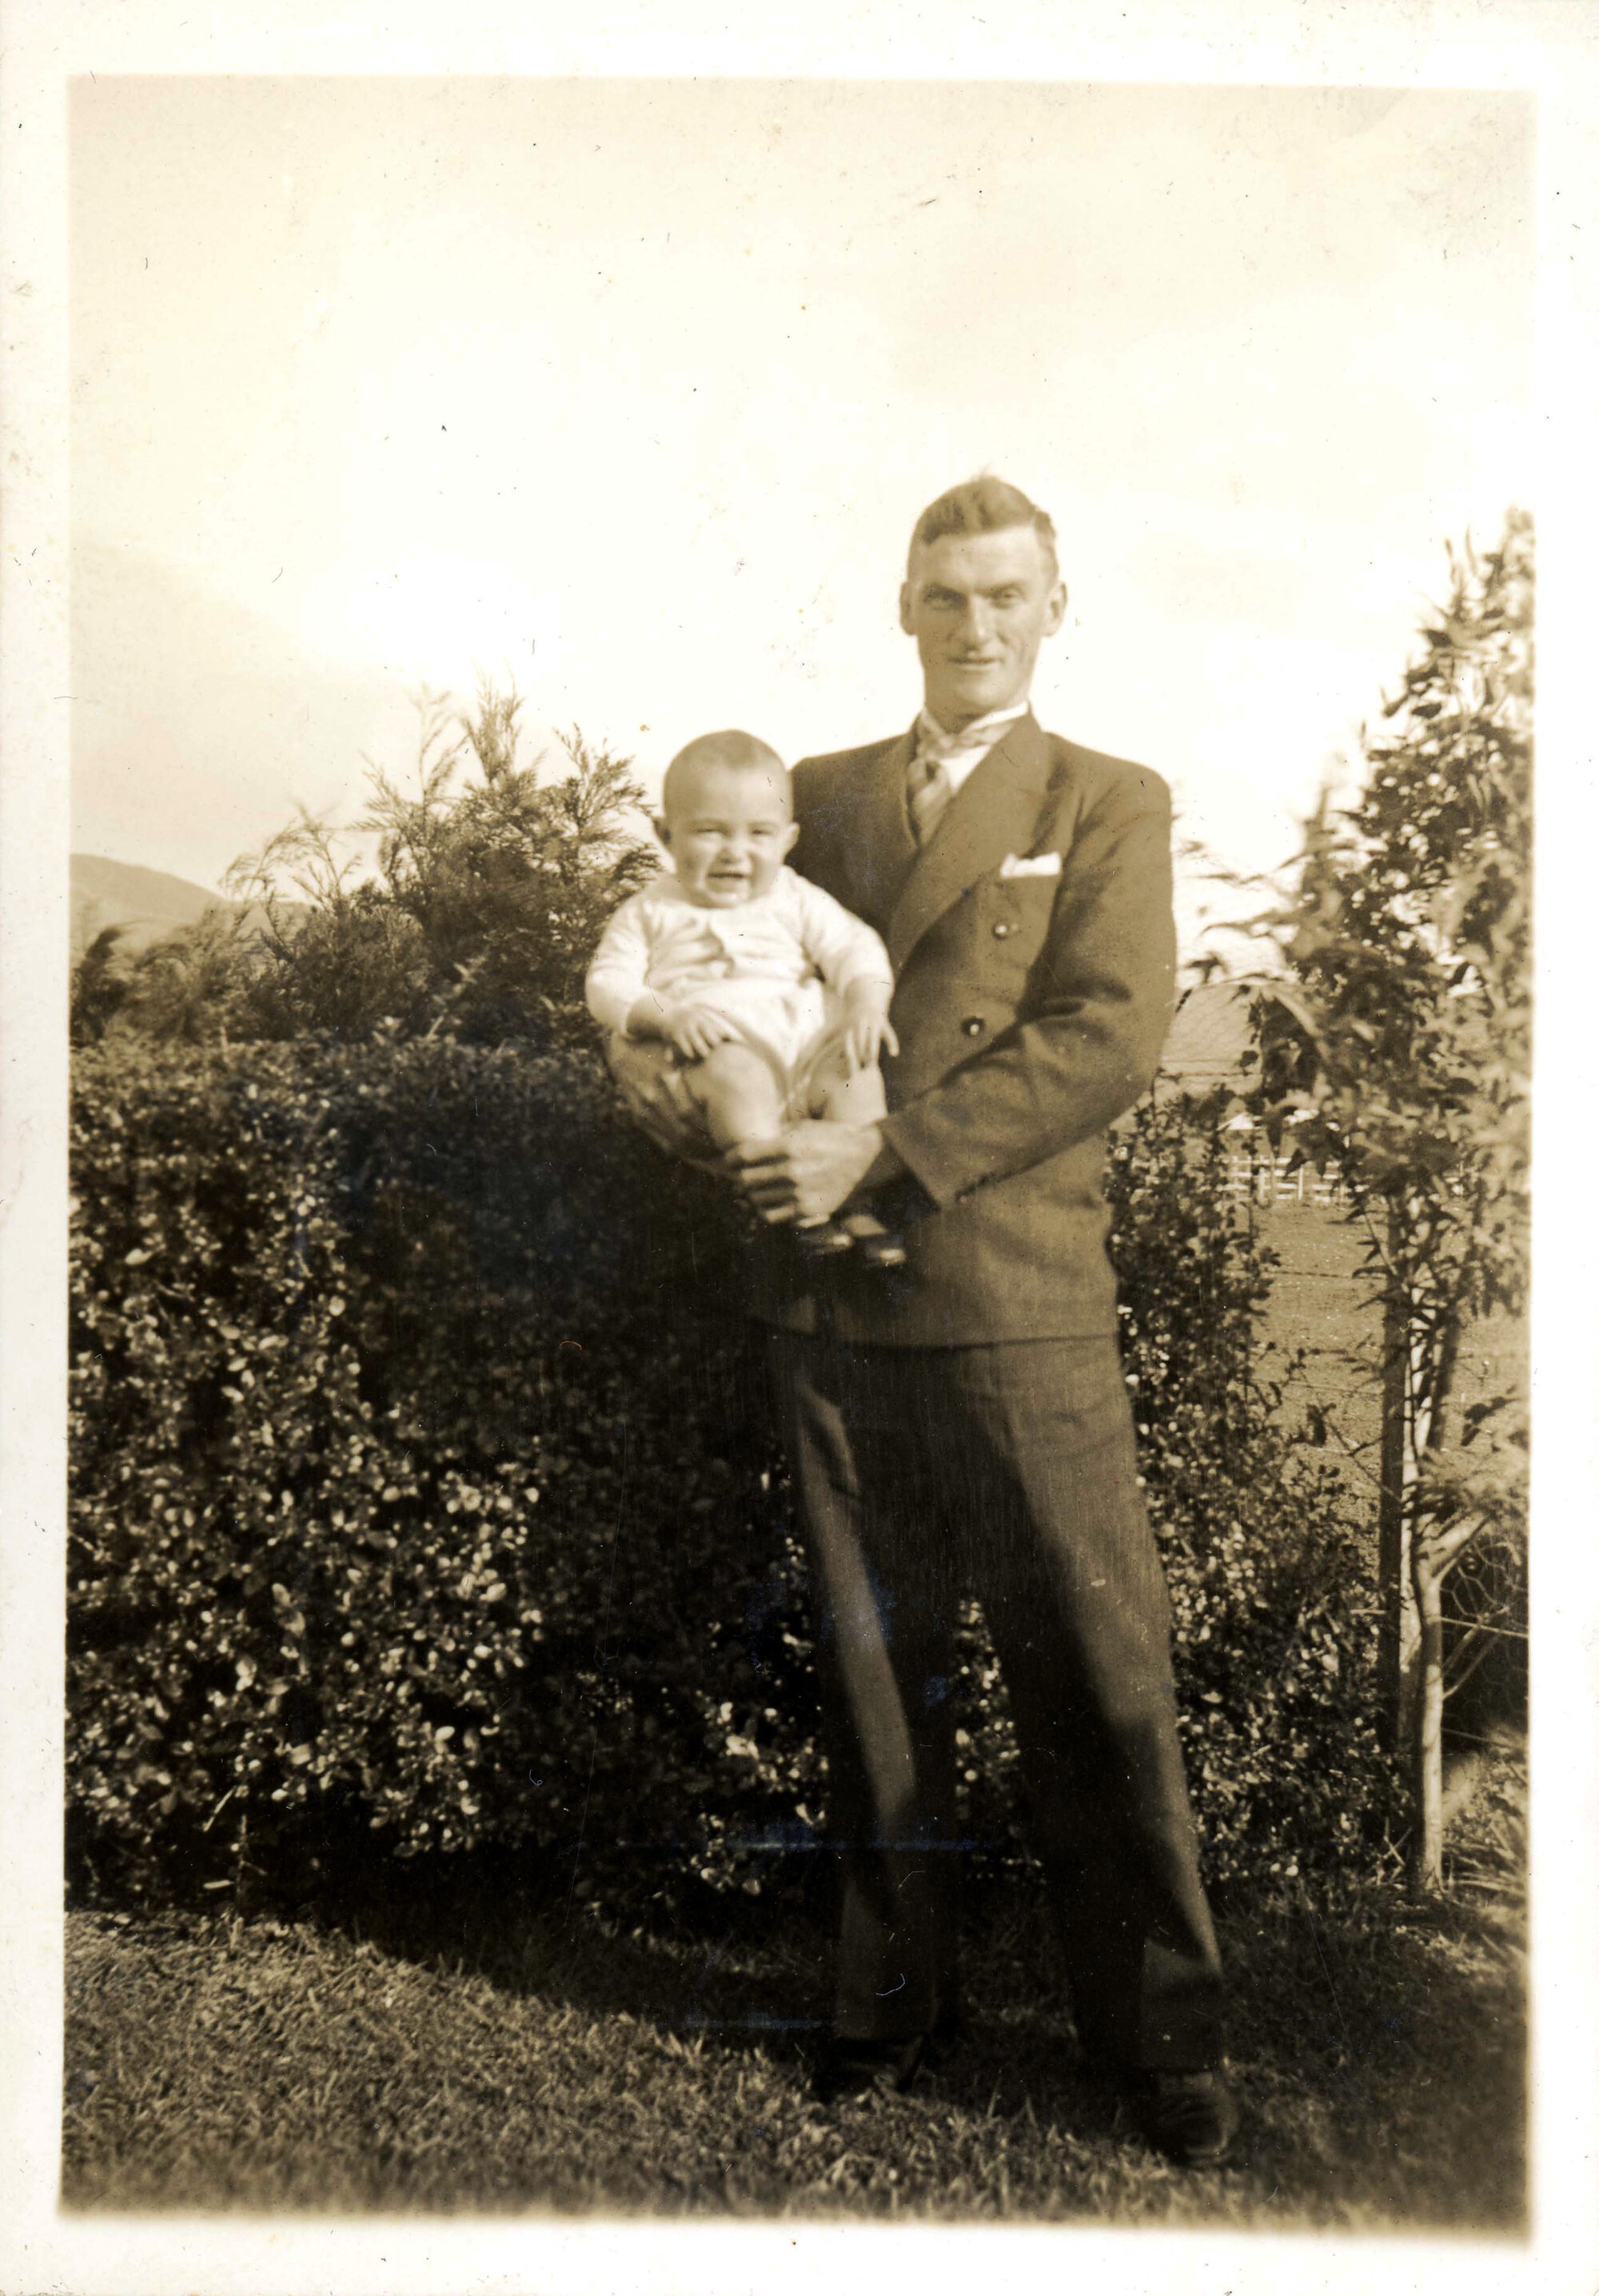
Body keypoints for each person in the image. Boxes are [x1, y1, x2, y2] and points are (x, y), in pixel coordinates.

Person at [615, 477, 1236, 2169]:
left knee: (1097, 1673)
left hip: (1013, 1296)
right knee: (875, 1667)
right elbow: (698, 975)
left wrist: (884, 1149)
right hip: (828, 1297)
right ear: (904, 606)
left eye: (1005, 597)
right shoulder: (799, 797)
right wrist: (689, 1102)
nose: (974, 625)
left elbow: (1110, 1031)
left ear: (1054, 609)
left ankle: (1159, 2037)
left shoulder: (1109, 799)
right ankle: (890, 2003)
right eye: (945, 595)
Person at [587, 729, 905, 1261]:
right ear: (666, 835)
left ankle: (859, 1202)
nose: (735, 853)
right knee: (738, 1080)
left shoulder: (796, 897)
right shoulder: (648, 911)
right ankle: (791, 1208)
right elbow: (608, 984)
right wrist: (665, 1018)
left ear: (788, 839)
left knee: (856, 1069)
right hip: (721, 1044)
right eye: (709, 832)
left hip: (810, 1039)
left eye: (759, 834)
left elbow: (855, 947)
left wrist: (865, 1004)